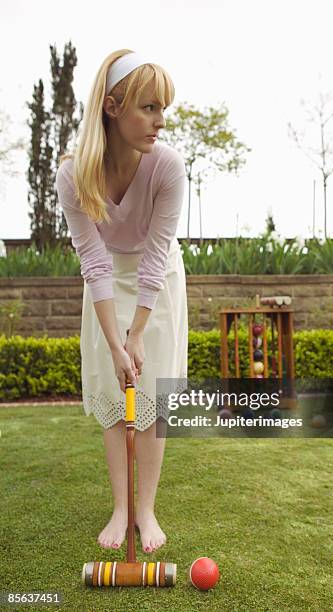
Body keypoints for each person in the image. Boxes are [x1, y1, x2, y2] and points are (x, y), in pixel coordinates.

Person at [56, 49, 188, 555]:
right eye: (149, 108)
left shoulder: (168, 167)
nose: (160, 121)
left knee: (152, 396)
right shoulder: (73, 175)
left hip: (158, 283)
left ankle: (147, 509)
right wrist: (115, 343)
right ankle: (121, 507)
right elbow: (93, 262)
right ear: (112, 107)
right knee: (117, 399)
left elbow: (156, 256)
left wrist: (137, 334)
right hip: (107, 282)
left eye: (163, 109)